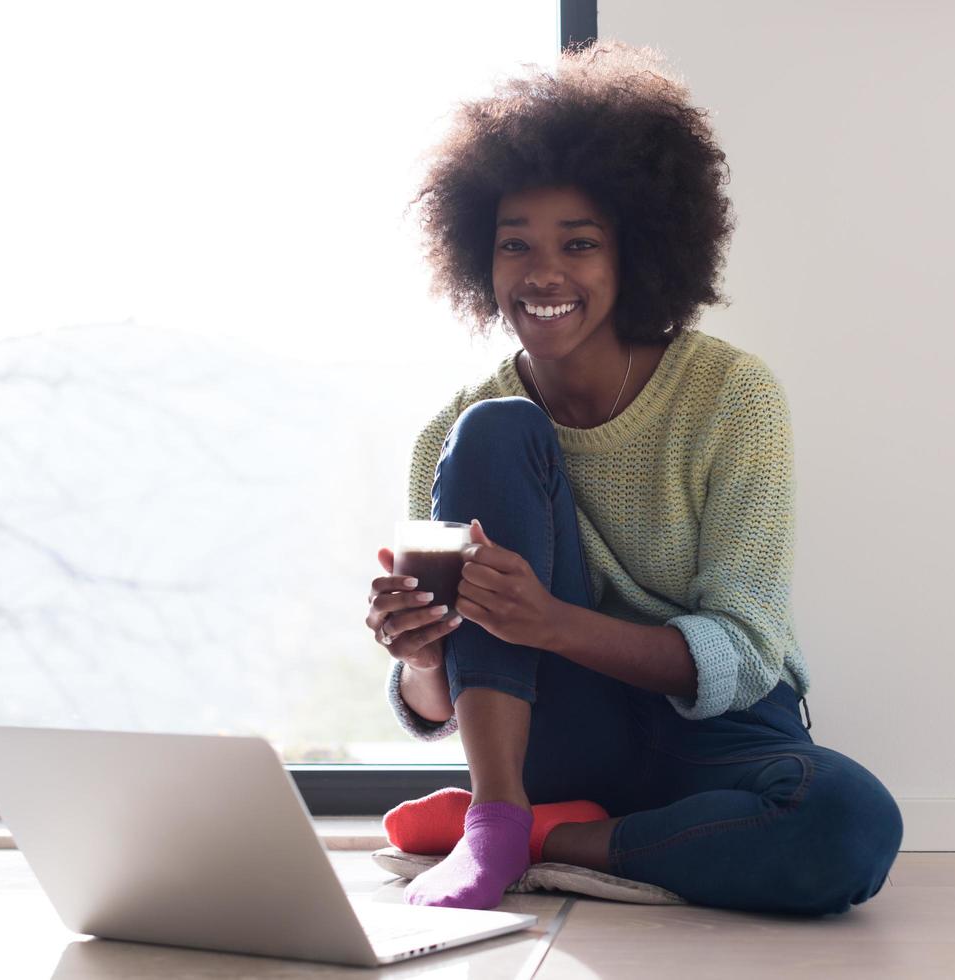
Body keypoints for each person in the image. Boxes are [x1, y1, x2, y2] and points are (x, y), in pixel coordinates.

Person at [363, 40, 903, 916]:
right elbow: (443, 699)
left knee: (846, 823)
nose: (542, 274)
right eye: (514, 246)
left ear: (635, 255)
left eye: (578, 244)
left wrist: (553, 621)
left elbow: (744, 649)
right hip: (555, 730)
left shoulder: (731, 396)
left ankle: (541, 839)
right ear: (478, 258)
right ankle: (499, 814)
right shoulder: (458, 434)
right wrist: (423, 658)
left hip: (716, 730)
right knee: (496, 431)